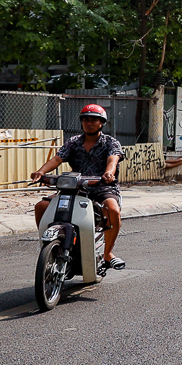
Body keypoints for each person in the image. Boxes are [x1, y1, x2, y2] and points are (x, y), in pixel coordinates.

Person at [31, 104, 127, 269]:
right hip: (74, 189)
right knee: (41, 206)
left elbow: (113, 159)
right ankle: (48, 248)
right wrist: (41, 172)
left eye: (93, 120)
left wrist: (109, 173)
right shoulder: (73, 142)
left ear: (101, 123)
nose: (89, 123)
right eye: (86, 120)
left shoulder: (110, 142)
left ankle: (108, 253)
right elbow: (57, 159)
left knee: (113, 210)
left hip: (102, 187)